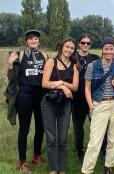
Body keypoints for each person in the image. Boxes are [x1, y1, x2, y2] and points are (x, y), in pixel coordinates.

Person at [4, 30, 48, 173]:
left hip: (41, 95)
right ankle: (22, 162)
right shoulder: (20, 55)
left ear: (39, 41)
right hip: (25, 95)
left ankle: (36, 156)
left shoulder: (45, 55)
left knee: (41, 127)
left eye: (36, 38)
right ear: (26, 41)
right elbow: (11, 76)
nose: (33, 41)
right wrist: (10, 64)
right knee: (24, 129)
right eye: (30, 39)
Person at [81, 37, 114, 174]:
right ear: (102, 50)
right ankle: (87, 170)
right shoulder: (93, 66)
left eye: (111, 49)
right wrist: (91, 106)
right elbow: (87, 88)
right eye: (106, 49)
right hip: (100, 104)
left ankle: (108, 167)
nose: (109, 51)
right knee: (95, 141)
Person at [41, 38, 79, 174]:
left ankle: (62, 169)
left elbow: (75, 87)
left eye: (72, 48)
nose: (69, 50)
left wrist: (61, 83)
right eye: (67, 47)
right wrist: (63, 87)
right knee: (51, 138)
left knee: (62, 138)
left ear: (74, 50)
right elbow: (45, 83)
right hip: (49, 103)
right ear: (62, 47)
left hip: (65, 104)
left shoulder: (74, 66)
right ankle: (53, 168)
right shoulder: (51, 62)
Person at [72, 33, 100, 163]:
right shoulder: (73, 57)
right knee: (78, 127)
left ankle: (100, 149)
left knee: (96, 126)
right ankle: (79, 152)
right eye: (83, 42)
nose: (85, 45)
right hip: (77, 99)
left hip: (92, 98)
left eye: (88, 43)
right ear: (79, 43)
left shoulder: (95, 58)